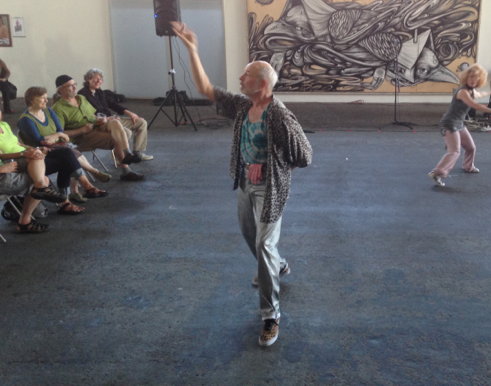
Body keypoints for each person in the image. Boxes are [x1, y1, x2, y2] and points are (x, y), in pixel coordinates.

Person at [172, 21, 313, 347]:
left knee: (263, 244)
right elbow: (207, 89)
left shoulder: (279, 115)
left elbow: (304, 154)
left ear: (261, 83)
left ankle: (270, 317)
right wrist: (192, 49)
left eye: (245, 75)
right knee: (252, 237)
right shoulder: (242, 105)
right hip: (244, 182)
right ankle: (277, 266)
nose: (239, 77)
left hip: (270, 189)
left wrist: (272, 165)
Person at [18, 86, 110, 202]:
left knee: (67, 154)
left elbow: (61, 131)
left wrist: (56, 137)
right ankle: (87, 184)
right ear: (31, 100)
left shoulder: (49, 111)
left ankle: (72, 196)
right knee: (68, 154)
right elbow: (39, 141)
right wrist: (58, 135)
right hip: (42, 152)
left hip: (59, 146)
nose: (46, 100)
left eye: (46, 97)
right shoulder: (26, 120)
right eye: (42, 98)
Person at [51, 75, 144, 182]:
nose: (75, 87)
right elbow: (60, 134)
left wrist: (102, 119)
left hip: (95, 126)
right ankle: (126, 171)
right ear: (61, 89)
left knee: (115, 122)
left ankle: (127, 154)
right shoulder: (58, 108)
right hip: (82, 137)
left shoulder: (81, 98)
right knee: (122, 135)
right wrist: (82, 130)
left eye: (74, 84)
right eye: (70, 86)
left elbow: (92, 116)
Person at [429, 64, 491, 187]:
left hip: (459, 124)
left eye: (476, 78)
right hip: (449, 124)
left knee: (471, 148)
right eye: (471, 77)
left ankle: (468, 166)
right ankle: (436, 173)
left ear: (479, 80)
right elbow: (475, 105)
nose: (473, 80)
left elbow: (480, 94)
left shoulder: (472, 91)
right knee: (455, 151)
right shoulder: (463, 92)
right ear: (466, 77)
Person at [0, 110, 87, 216]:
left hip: (27, 156)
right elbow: (2, 156)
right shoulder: (25, 119)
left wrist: (35, 149)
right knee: (63, 161)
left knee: (65, 152)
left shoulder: (4, 125)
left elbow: (18, 144)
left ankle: (68, 196)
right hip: (17, 161)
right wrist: (24, 154)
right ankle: (64, 198)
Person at [78, 69, 152, 161]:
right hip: (100, 123)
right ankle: (119, 156)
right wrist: (107, 119)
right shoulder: (82, 94)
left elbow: (112, 103)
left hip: (111, 120)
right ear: (88, 79)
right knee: (126, 132)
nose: (99, 81)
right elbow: (88, 115)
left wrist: (130, 113)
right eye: (96, 78)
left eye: (100, 79)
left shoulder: (99, 91)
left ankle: (137, 153)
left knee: (141, 122)